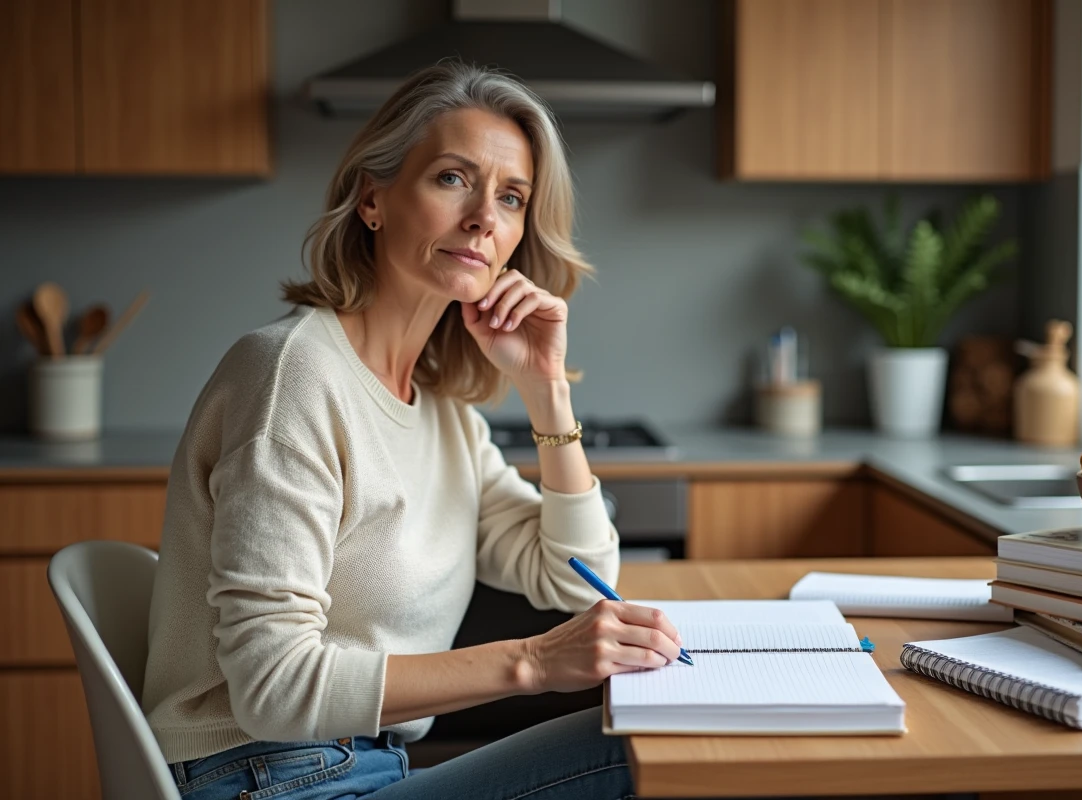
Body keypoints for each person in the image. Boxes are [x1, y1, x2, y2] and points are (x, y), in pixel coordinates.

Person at [141, 60, 684, 800]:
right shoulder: (291, 377)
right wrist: (534, 662)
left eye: (512, 197)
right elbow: (272, 686)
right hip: (265, 775)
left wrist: (546, 391)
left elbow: (573, 574)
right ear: (373, 198)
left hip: (359, 766)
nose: (484, 219)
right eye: (453, 179)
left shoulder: (442, 413)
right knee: (642, 756)